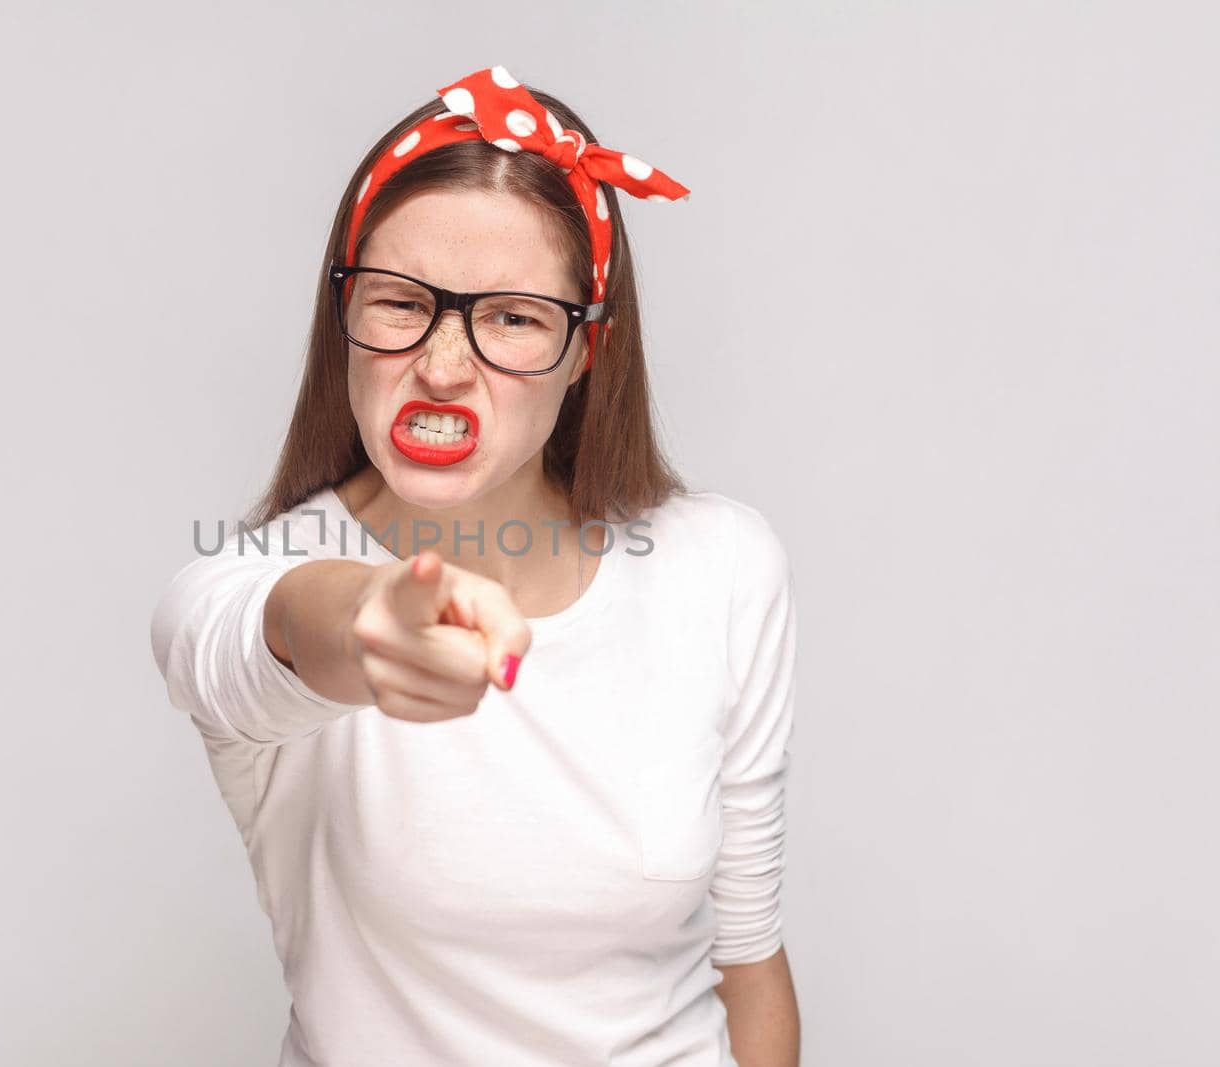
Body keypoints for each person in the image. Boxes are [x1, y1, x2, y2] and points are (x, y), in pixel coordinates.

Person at [151, 65, 801, 1067]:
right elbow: (266, 628)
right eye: (401, 301)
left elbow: (748, 960)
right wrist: (373, 615)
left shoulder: (719, 563)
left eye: (511, 317)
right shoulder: (242, 580)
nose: (444, 364)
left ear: (587, 348)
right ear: (346, 318)